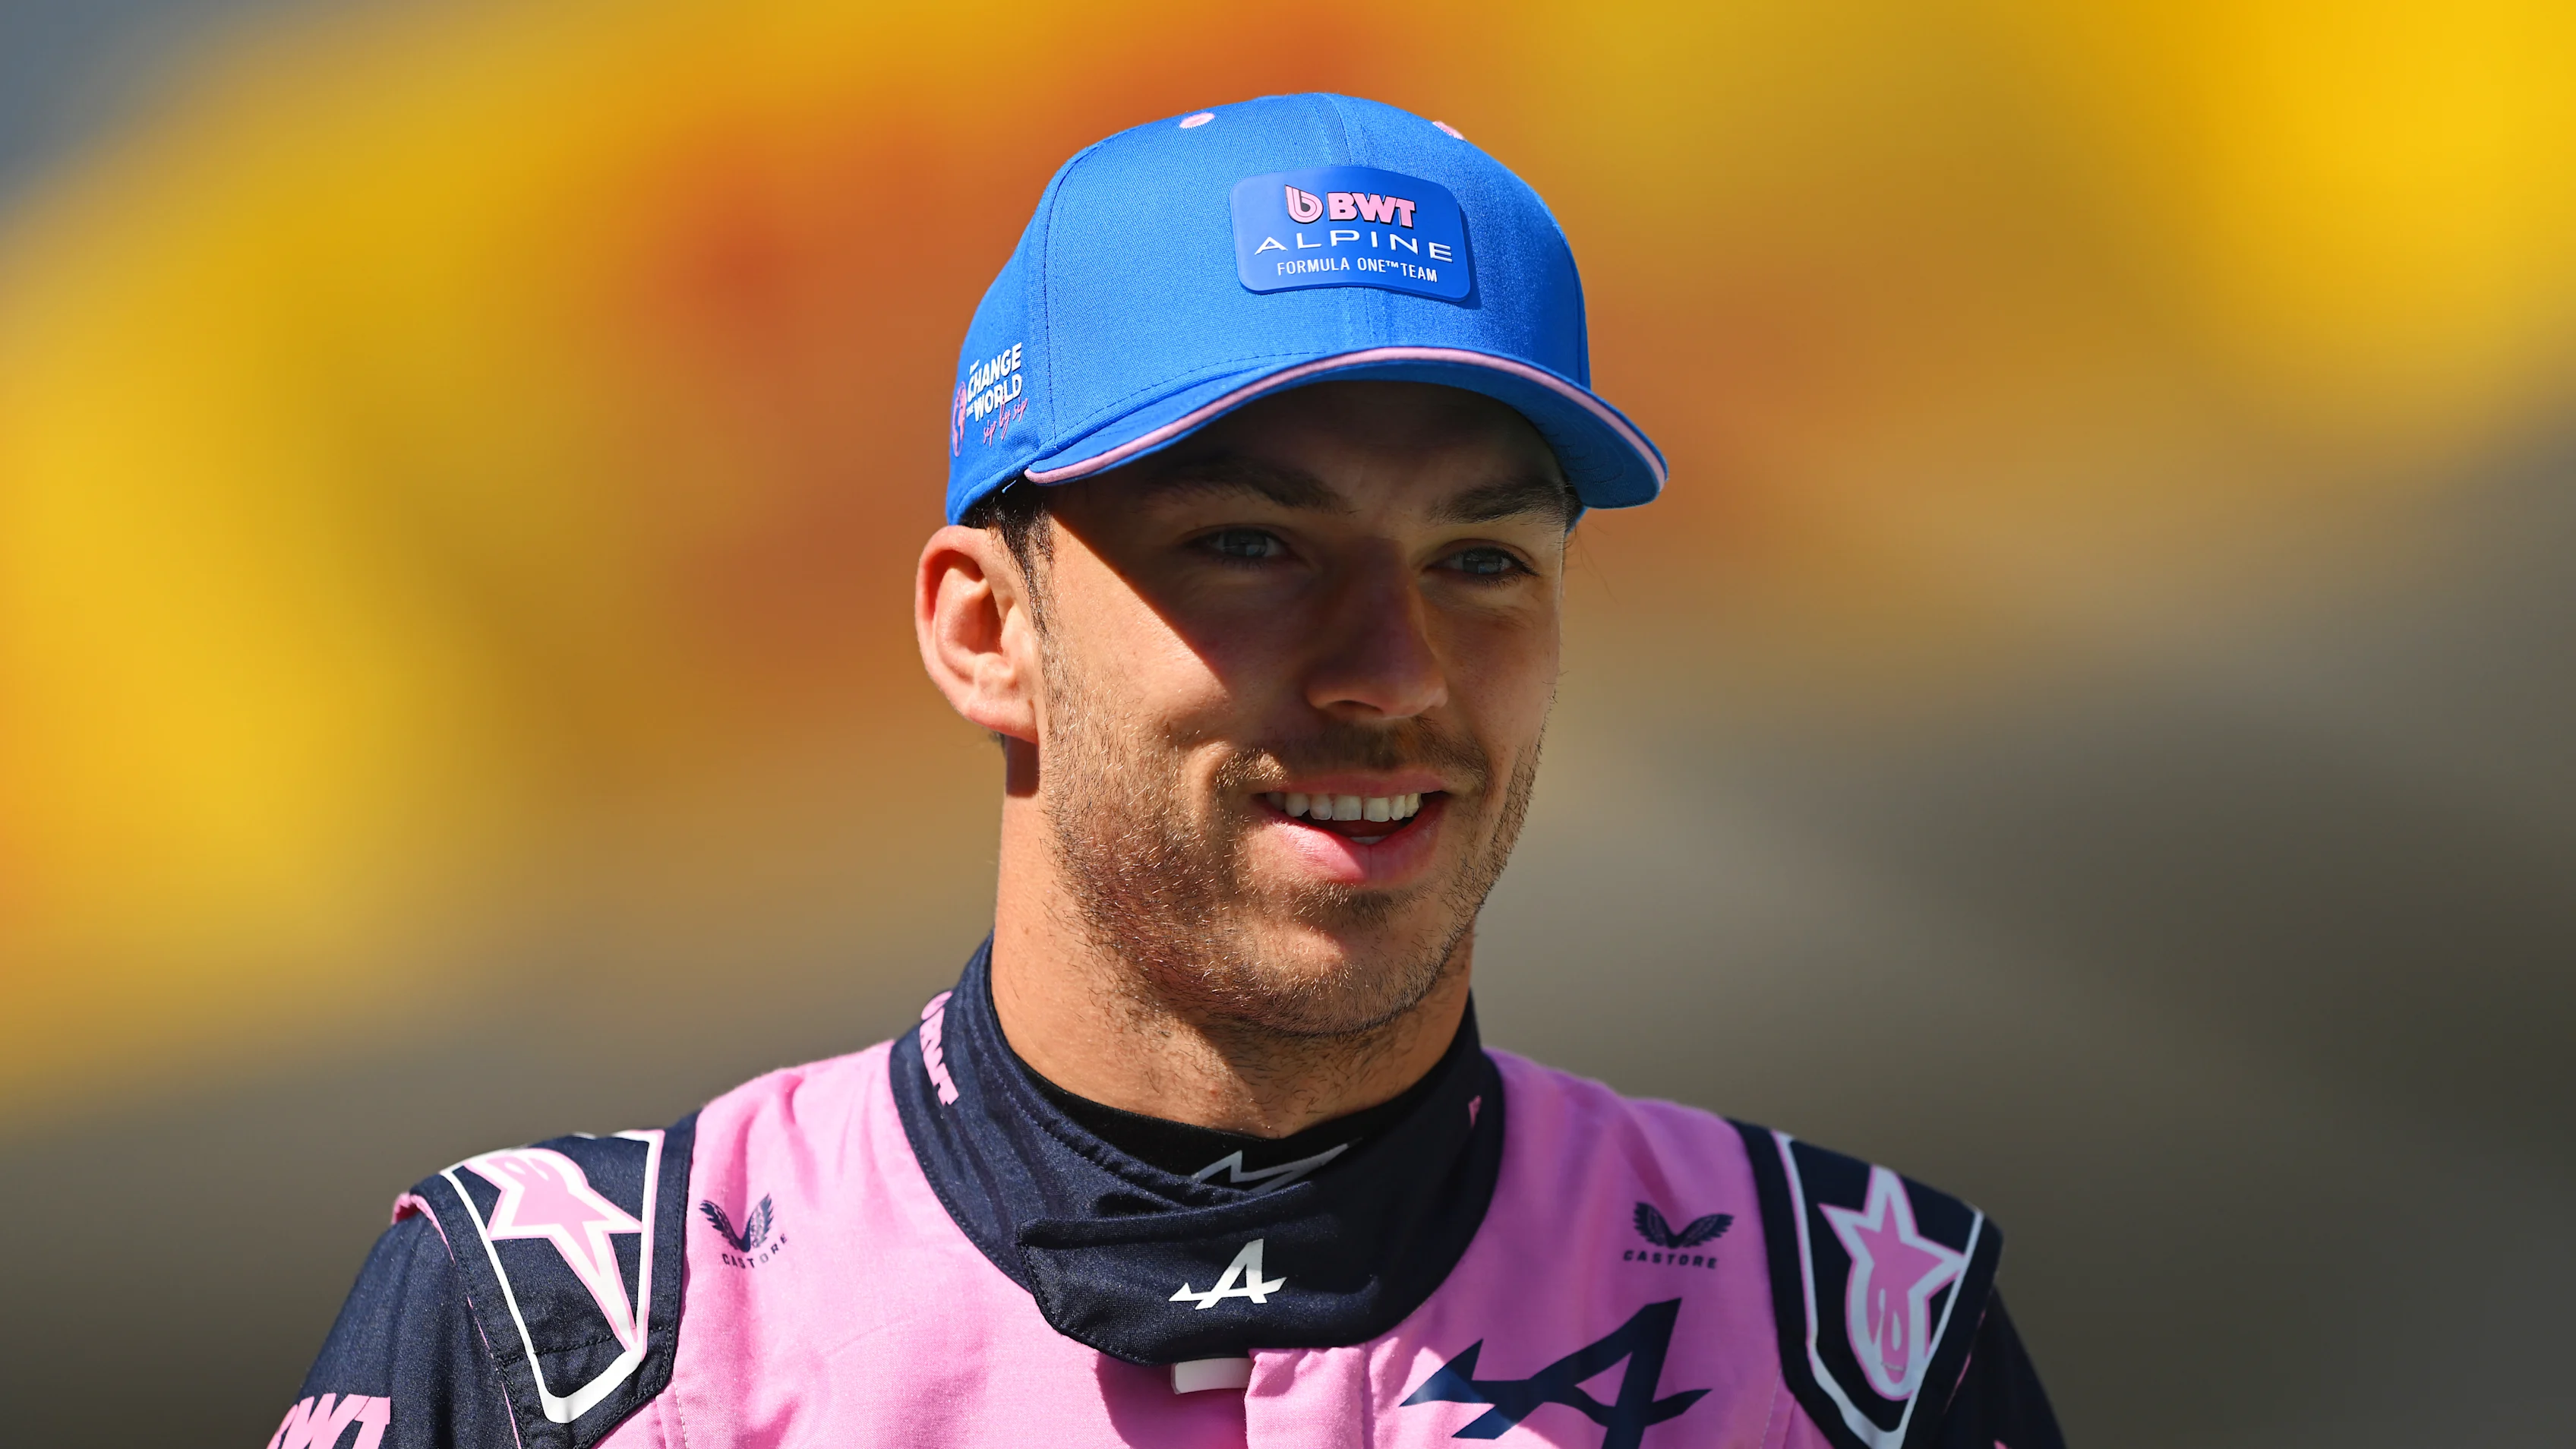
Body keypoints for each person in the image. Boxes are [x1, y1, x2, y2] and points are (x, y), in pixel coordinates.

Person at [271, 93, 2063, 1449]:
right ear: (987, 629)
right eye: (1251, 547)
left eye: (1479, 559)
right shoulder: (573, 1339)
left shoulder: (1848, 1340)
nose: (1391, 671)